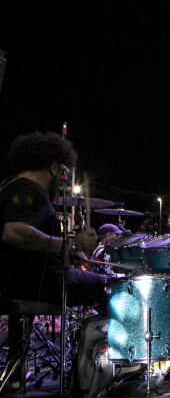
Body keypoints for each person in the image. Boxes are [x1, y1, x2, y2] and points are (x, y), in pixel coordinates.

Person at [0, 131, 108, 359]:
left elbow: (25, 251)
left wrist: (67, 254)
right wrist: (69, 244)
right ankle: (99, 365)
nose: (64, 178)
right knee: (108, 286)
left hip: (14, 284)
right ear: (53, 167)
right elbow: (13, 232)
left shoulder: (8, 187)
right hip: (45, 285)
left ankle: (16, 365)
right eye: (65, 171)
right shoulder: (32, 191)